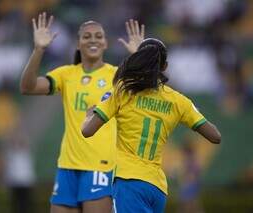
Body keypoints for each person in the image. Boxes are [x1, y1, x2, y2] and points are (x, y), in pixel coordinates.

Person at [20, 12, 144, 213]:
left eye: (98, 36)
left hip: (100, 166)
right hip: (67, 166)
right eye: (87, 36)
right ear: (77, 43)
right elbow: (27, 87)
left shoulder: (116, 75)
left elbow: (146, 92)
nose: (93, 39)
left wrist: (139, 57)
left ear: (106, 43)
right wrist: (38, 50)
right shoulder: (66, 74)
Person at [82, 38, 221, 213]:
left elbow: (87, 131)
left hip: (129, 181)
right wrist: (193, 111)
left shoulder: (123, 92)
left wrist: (87, 117)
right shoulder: (179, 101)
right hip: (157, 188)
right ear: (165, 66)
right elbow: (215, 136)